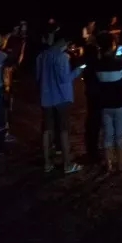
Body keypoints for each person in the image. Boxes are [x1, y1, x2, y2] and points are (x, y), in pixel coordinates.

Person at [36, 34, 84, 174]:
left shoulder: (42, 56)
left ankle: (47, 163)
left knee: (47, 130)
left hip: (46, 97)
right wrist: (79, 70)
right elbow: (65, 79)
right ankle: (67, 164)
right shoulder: (62, 57)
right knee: (63, 130)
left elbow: (38, 77)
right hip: (61, 98)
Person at [94, 33, 122, 172]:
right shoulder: (119, 64)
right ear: (112, 45)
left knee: (107, 135)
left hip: (105, 105)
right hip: (120, 104)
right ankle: (120, 164)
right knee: (120, 135)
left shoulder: (98, 65)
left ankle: (109, 164)